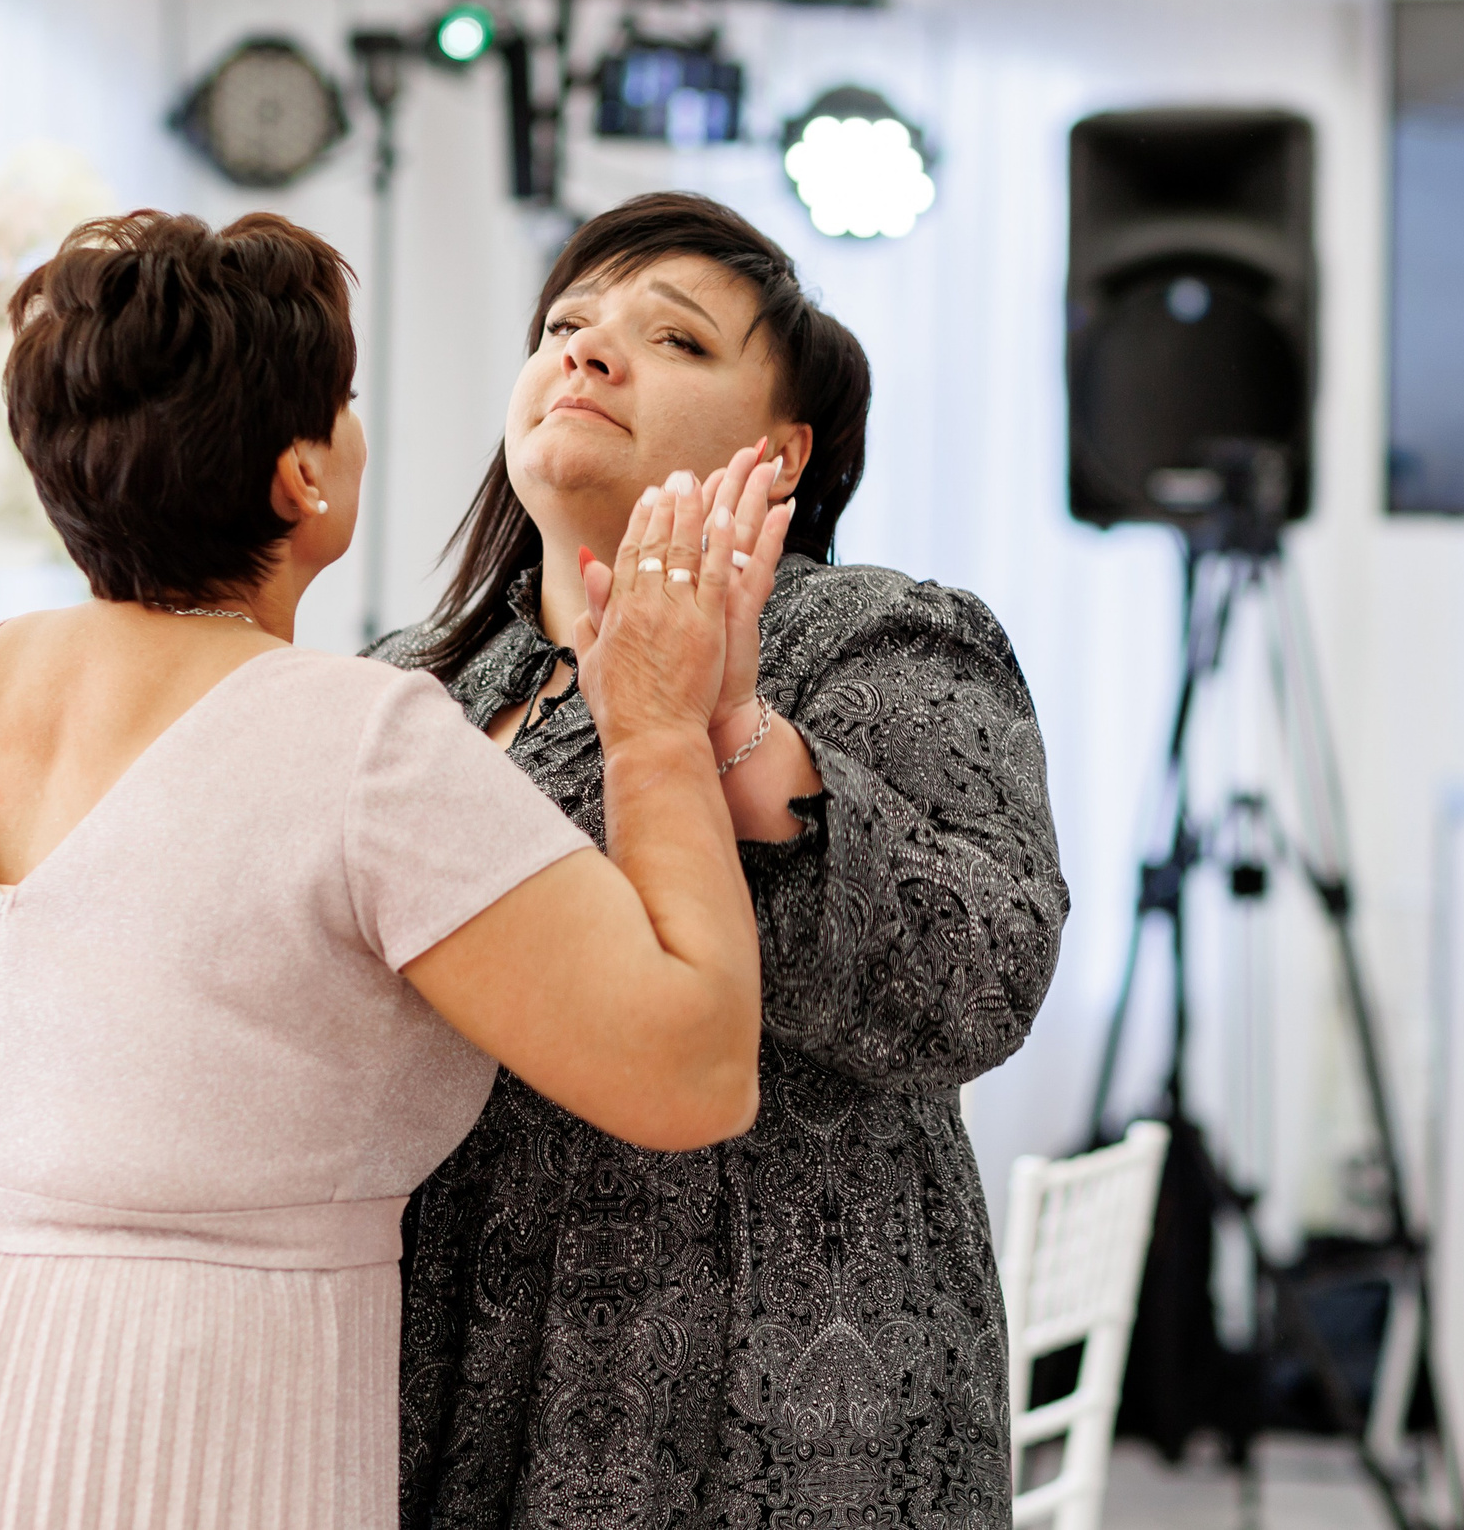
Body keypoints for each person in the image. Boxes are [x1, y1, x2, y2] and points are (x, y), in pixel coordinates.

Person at [0, 210, 785, 1529]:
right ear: (303, 475)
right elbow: (688, 1066)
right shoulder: (363, 741)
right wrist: (650, 726)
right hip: (185, 1425)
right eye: (341, 406)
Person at [377, 192, 1069, 1529]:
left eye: (675, 339)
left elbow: (986, 974)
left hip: (767, 1392)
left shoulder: (876, 634)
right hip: (441, 1368)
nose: (585, 351)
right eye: (565, 324)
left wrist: (733, 732)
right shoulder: (417, 683)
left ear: (781, 445)